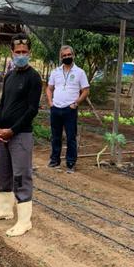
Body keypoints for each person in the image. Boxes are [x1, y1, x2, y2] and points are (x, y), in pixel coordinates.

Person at [0, 34, 42, 237]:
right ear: (12, 53)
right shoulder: (10, 75)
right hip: (4, 134)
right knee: (3, 172)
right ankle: (4, 210)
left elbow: (32, 110)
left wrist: (12, 130)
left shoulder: (34, 78)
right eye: (18, 52)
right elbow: (2, 102)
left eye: (25, 52)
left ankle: (24, 221)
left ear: (30, 53)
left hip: (20, 135)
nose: (21, 55)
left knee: (21, 175)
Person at [45, 44, 89, 173]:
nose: (67, 57)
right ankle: (54, 160)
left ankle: (70, 163)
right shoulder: (55, 72)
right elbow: (49, 88)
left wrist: (76, 104)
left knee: (71, 136)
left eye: (69, 55)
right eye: (64, 55)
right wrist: (50, 102)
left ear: (73, 56)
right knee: (55, 136)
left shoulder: (80, 72)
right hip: (56, 108)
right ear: (61, 57)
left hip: (70, 109)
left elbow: (85, 91)